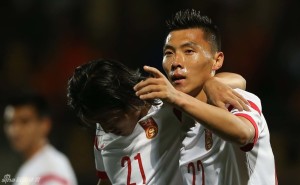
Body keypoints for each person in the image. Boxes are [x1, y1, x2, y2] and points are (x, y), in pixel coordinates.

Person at [134, 9, 277, 185]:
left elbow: (243, 133)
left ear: (217, 60)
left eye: (188, 51)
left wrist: (177, 97)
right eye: (169, 53)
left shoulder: (234, 98)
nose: (176, 62)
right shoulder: (170, 118)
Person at [67, 58, 247, 185]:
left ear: (129, 100)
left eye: (110, 119)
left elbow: (239, 81)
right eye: (99, 122)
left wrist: (210, 84)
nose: (106, 127)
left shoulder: (168, 106)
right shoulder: (103, 131)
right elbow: (107, 179)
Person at [3, 92, 78, 185]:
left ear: (45, 124)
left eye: (24, 121)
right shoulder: (32, 167)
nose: (15, 130)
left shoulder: (51, 169)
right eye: (10, 122)